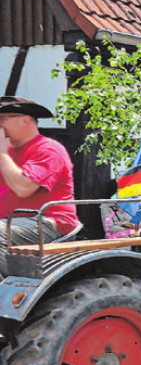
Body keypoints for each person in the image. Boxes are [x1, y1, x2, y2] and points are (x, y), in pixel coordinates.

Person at [0, 96, 80, 251]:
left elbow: (23, 188)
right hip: (10, 221)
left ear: (24, 121)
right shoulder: (7, 152)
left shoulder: (47, 149)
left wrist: (2, 153)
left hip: (47, 222)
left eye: (2, 119)